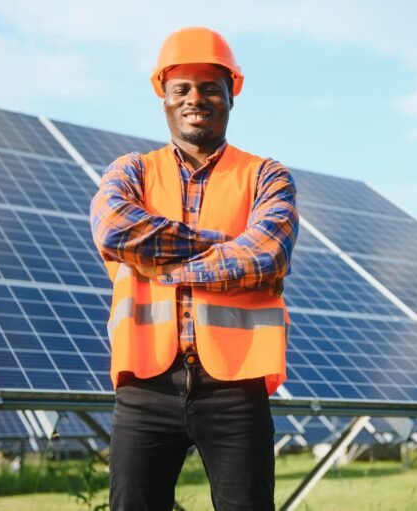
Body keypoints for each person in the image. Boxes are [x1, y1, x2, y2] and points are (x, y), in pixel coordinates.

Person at [89, 27, 298, 510]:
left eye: (209, 88)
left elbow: (267, 254)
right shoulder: (131, 170)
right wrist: (225, 248)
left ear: (231, 96)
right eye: (181, 88)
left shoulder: (266, 175)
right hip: (146, 383)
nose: (194, 99)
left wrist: (161, 266)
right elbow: (115, 230)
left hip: (236, 386)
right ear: (163, 97)